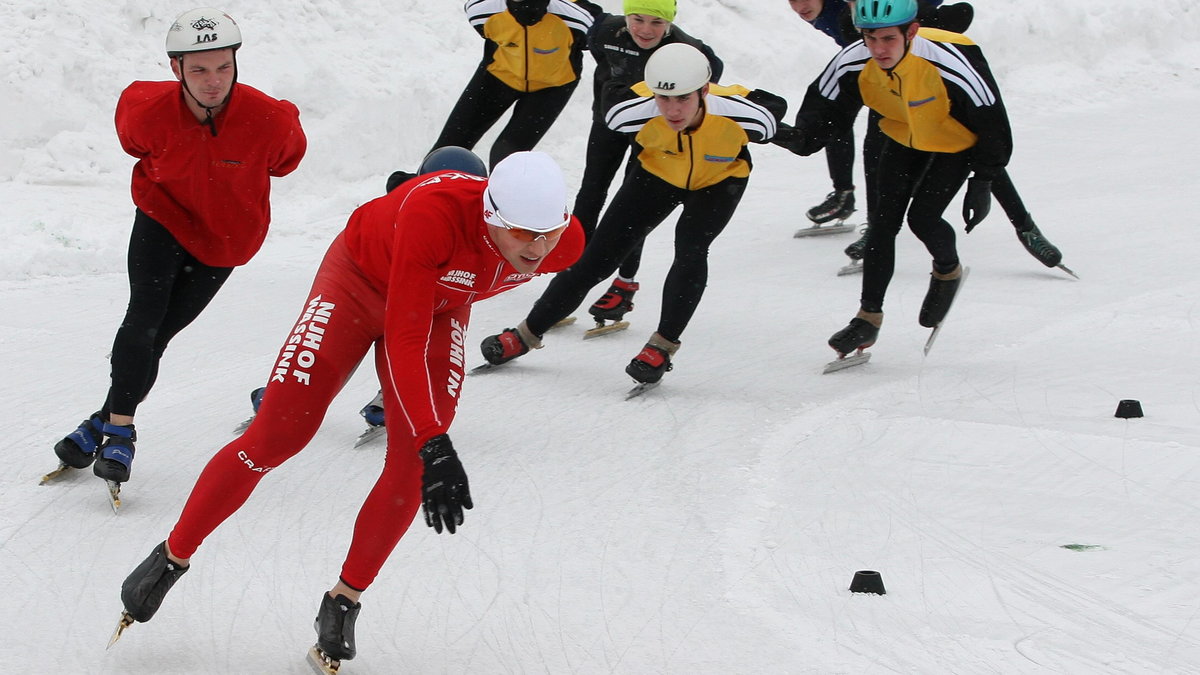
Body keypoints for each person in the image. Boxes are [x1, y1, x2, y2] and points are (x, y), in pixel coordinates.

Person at [116, 151, 585, 668]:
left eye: (550, 232)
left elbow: (576, 250)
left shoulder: (565, 244)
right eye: (522, 233)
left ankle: (344, 600)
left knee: (412, 466)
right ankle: (173, 554)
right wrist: (435, 436)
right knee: (278, 435)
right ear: (491, 217)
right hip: (358, 283)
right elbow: (404, 337)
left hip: (442, 305)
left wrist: (425, 444)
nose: (539, 249)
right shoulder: (434, 216)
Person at [50, 8, 306, 488]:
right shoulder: (144, 109)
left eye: (223, 67)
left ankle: (97, 424)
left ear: (236, 62)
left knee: (159, 334)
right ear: (176, 70)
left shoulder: (270, 120)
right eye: (198, 70)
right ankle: (120, 433)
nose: (213, 81)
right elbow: (134, 142)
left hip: (225, 238)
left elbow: (286, 162)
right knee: (143, 317)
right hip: (162, 215)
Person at [478, 43, 786, 385]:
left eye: (683, 99)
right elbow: (611, 104)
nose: (672, 110)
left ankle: (662, 346)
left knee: (691, 249)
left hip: (719, 181)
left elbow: (772, 113)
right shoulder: (633, 109)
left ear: (704, 90)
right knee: (596, 259)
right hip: (657, 175)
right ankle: (526, 333)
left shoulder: (737, 110)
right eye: (663, 99)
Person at [774, 0, 1011, 355]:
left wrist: (983, 181)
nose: (879, 50)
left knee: (923, 219)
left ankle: (948, 270)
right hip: (902, 134)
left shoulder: (947, 62)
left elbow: (993, 120)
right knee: (882, 224)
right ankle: (867, 319)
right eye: (870, 38)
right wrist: (791, 136)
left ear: (911, 31)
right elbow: (822, 113)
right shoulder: (853, 61)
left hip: (954, 140)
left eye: (888, 39)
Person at [787, 0, 1068, 274]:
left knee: (974, 147)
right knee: (858, 138)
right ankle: (854, 205)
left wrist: (938, 24)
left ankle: (1025, 227)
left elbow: (957, 14)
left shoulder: (896, 13)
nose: (800, 8)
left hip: (924, 86)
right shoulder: (828, 13)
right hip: (881, 81)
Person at [247, 146, 491, 437]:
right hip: (363, 288)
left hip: (431, 302)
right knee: (290, 404)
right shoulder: (405, 212)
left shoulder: (486, 230)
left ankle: (383, 397)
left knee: (432, 391)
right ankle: (285, 393)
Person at [574, 0, 724, 330]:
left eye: (656, 23)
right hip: (608, 123)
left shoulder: (685, 48)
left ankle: (625, 284)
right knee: (590, 193)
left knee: (631, 204)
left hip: (653, 132)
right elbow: (580, 31)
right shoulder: (606, 31)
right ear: (626, 16)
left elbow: (712, 70)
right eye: (637, 19)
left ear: (669, 23)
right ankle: (572, 271)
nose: (644, 30)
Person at [428, 0, 602, 170]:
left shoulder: (577, 19)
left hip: (551, 88)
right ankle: (420, 194)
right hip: (497, 78)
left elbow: (605, 37)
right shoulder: (481, 10)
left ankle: (500, 197)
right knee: (446, 150)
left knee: (506, 156)